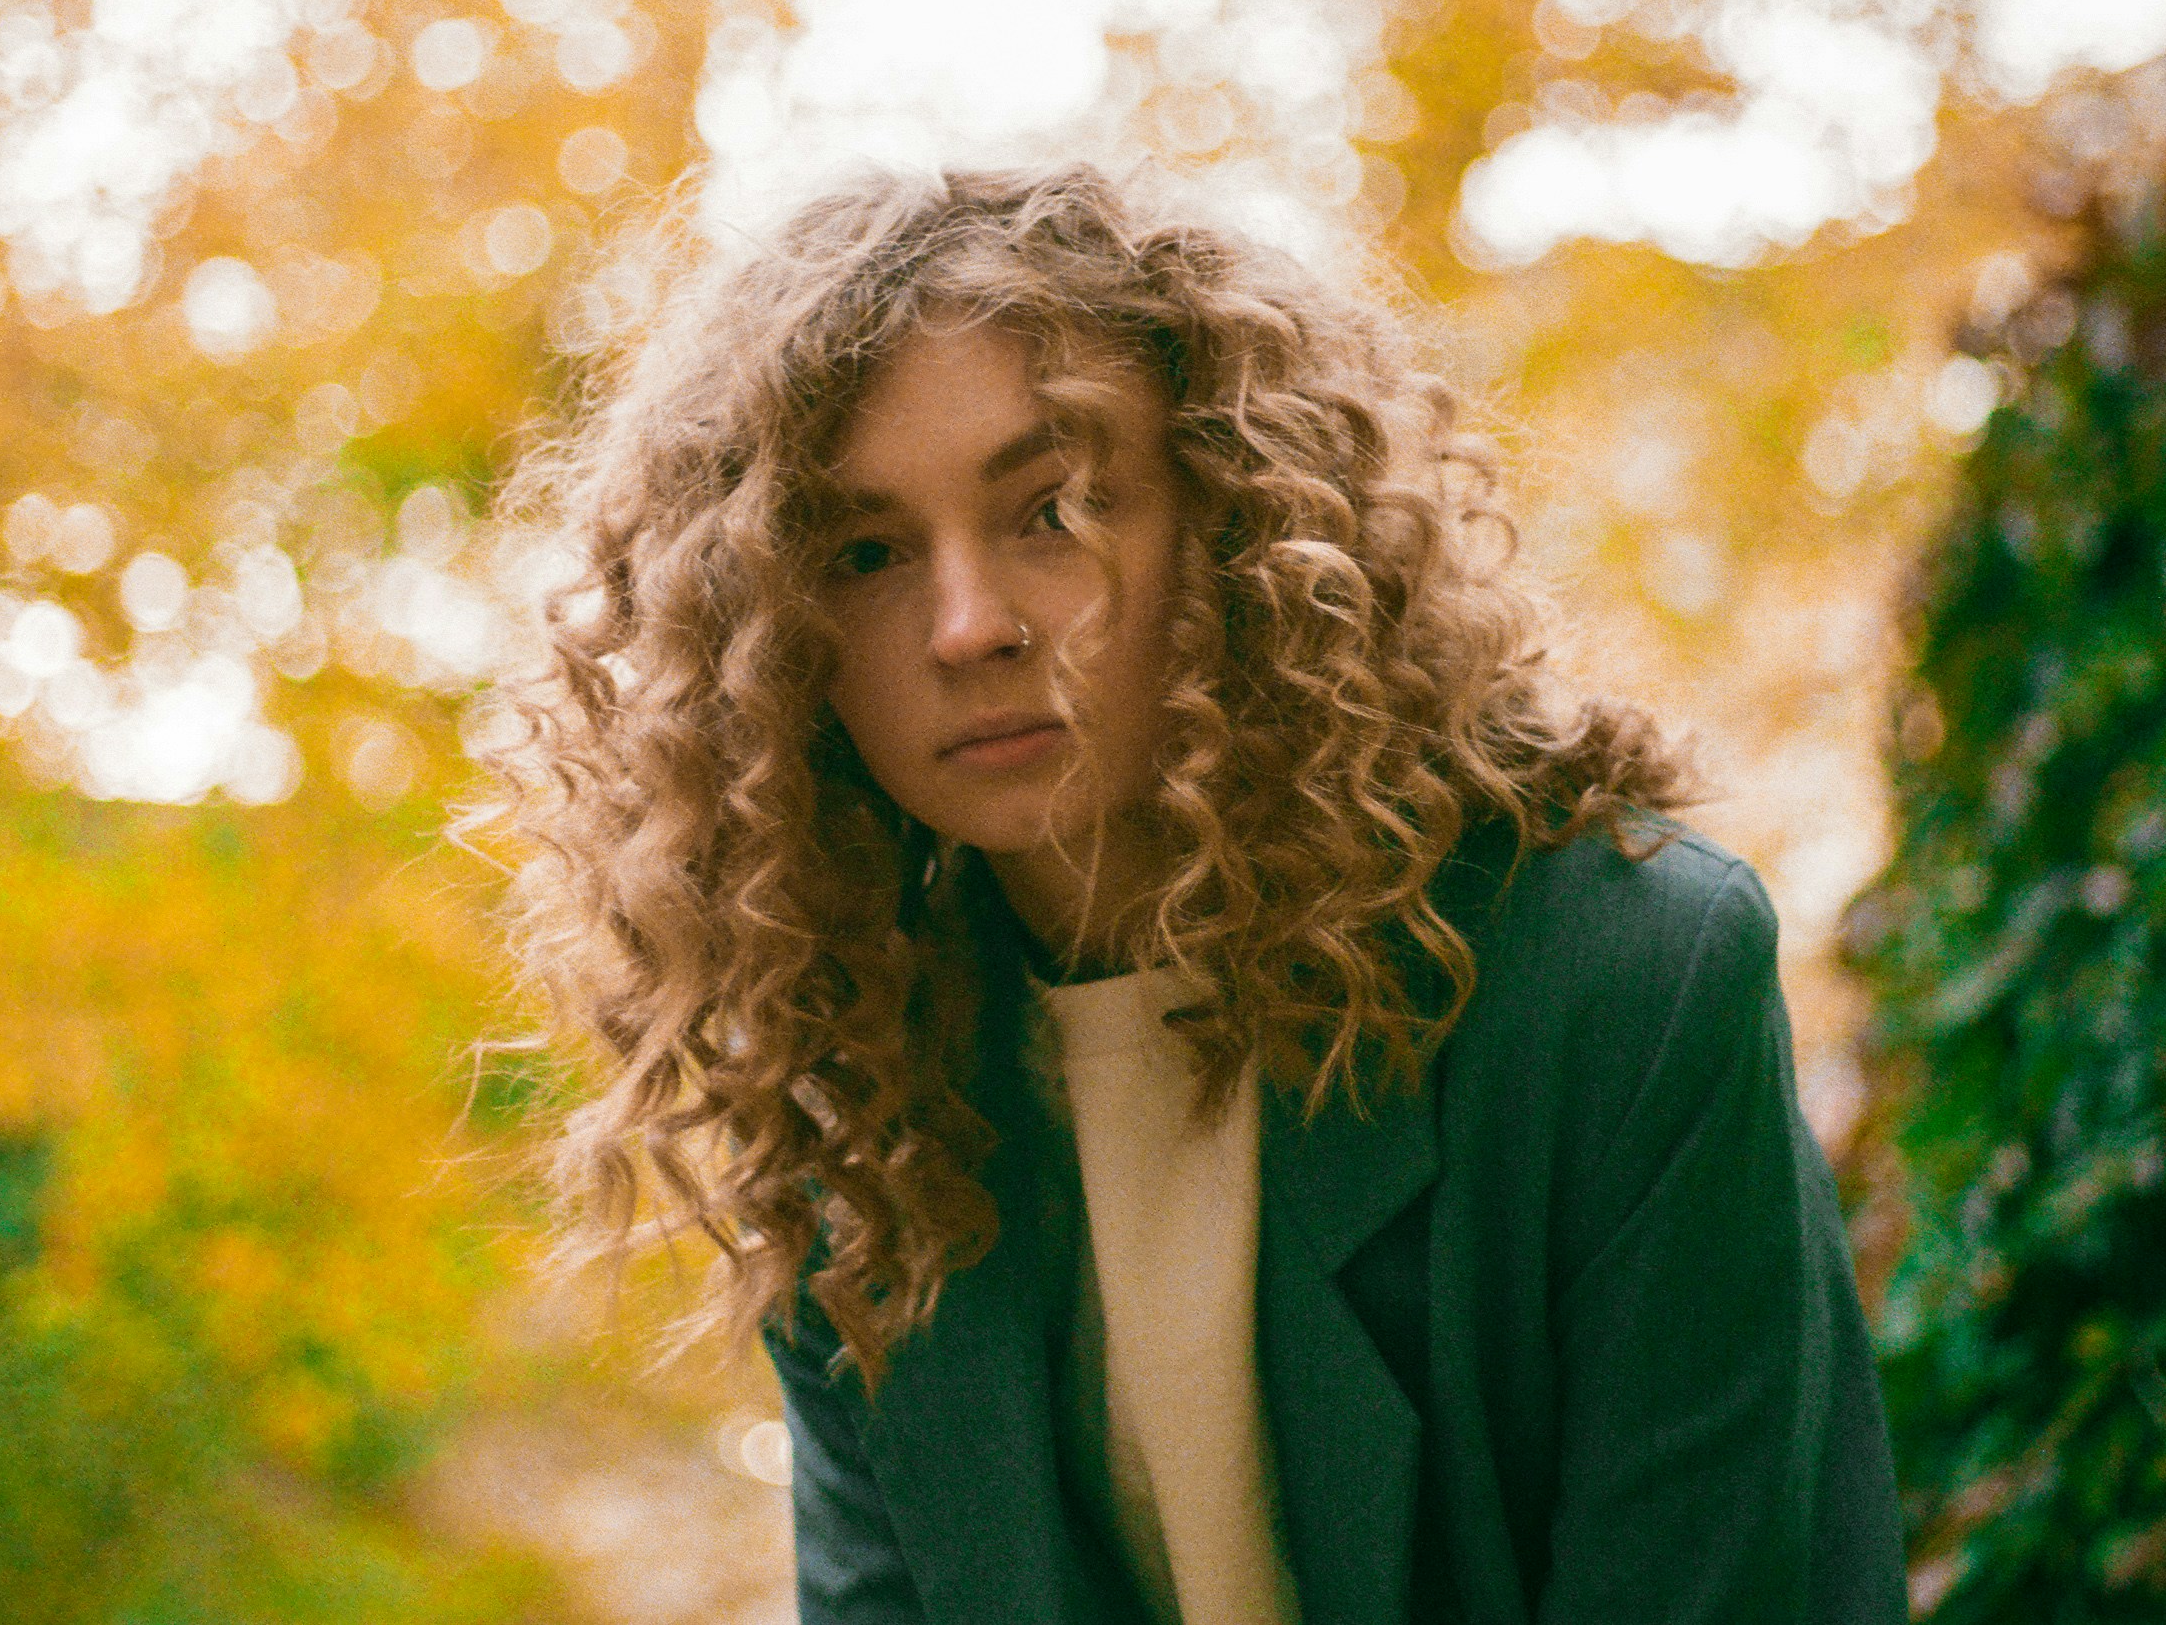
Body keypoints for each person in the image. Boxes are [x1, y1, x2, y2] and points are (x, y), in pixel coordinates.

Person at [487, 165, 1907, 1625]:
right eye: (865, 554)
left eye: (1053, 509)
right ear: (777, 638)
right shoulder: (857, 1117)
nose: (968, 624)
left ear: (1227, 523)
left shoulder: (1621, 981)